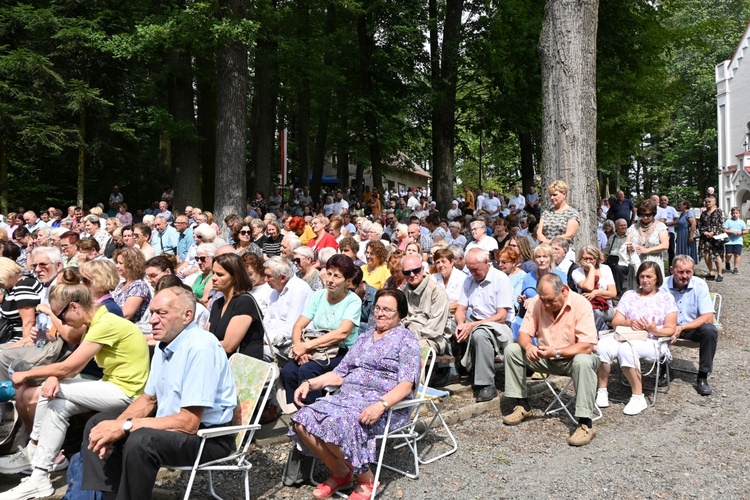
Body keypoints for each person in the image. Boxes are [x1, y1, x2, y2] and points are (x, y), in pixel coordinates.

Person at [79, 287, 236, 499]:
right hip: (173, 430)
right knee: (99, 424)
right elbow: (148, 400)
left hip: (208, 438)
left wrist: (126, 426)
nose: (152, 320)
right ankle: (110, 496)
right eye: (152, 312)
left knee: (141, 441)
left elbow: (188, 423)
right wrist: (115, 427)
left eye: (161, 313)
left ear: (187, 316)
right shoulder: (165, 344)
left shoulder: (200, 348)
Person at [0, 284, 149, 498]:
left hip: (130, 395)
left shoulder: (106, 323)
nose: (61, 322)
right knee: (57, 403)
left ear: (74, 307)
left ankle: (33, 448)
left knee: (50, 391)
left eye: (61, 316)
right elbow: (69, 366)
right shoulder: (96, 321)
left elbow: (70, 367)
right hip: (116, 387)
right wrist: (53, 376)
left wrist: (26, 375)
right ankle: (40, 477)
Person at [288, 289, 420, 500]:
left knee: (340, 423)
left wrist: (381, 404)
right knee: (302, 420)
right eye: (378, 308)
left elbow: (406, 385)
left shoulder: (407, 341)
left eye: (388, 310)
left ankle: (367, 480)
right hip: (347, 398)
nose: (380, 313)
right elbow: (339, 374)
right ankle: (341, 473)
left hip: (383, 406)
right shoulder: (365, 338)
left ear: (400, 313)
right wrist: (309, 383)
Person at [502, 274, 600, 446]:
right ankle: (522, 405)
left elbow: (587, 346)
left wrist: (557, 352)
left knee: (583, 361)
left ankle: (586, 423)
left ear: (563, 290)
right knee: (513, 350)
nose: (546, 305)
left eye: (550, 301)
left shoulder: (581, 304)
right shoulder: (537, 303)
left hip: (573, 358)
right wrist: (529, 347)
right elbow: (523, 334)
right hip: (546, 357)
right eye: (543, 300)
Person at [595, 261, 677, 415]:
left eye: (649, 276)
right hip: (626, 335)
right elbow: (615, 322)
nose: (645, 280)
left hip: (653, 340)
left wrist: (653, 329)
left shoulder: (666, 298)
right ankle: (602, 390)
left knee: (627, 349)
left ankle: (638, 396)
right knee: (602, 346)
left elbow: (670, 329)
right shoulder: (629, 295)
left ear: (657, 278)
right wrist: (630, 322)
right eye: (642, 276)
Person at [281, 255, 361, 406]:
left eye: (337, 276)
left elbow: (342, 333)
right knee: (288, 372)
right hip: (316, 349)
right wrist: (300, 349)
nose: (330, 279)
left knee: (307, 371)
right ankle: (299, 414)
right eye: (329, 273)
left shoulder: (353, 300)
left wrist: (307, 346)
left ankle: (313, 417)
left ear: (348, 281)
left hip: (341, 351)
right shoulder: (318, 296)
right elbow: (299, 325)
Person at [455, 248, 514, 403]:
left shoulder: (500, 279)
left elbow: (502, 316)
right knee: (450, 326)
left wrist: (473, 325)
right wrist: (461, 324)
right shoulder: (469, 280)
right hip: (475, 320)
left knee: (479, 334)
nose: (473, 273)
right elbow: (461, 309)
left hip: (497, 324)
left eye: (475, 269)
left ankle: (487, 384)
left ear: (486, 262)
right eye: (470, 269)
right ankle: (454, 372)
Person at [660, 255, 718, 396]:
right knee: (651, 327)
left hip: (691, 327)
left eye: (689, 272)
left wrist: (682, 328)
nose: (685, 276)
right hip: (667, 326)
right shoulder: (662, 285)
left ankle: (702, 376)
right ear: (672, 270)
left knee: (710, 330)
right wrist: (670, 328)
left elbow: (707, 316)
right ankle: (663, 369)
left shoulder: (699, 284)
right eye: (680, 272)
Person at [208, 253, 264, 360]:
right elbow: (208, 336)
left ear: (235, 277)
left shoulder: (245, 302)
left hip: (243, 369)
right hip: (219, 363)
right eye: (213, 273)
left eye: (220, 275)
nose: (213, 278)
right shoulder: (217, 304)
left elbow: (228, 346)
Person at [262, 256, 313, 360]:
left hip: (291, 343)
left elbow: (292, 328)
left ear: (283, 278)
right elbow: (267, 320)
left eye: (268, 276)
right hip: (271, 341)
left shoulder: (299, 289)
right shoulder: (274, 291)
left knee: (257, 352)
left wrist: (267, 339)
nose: (265, 279)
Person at [401, 254, 451, 354]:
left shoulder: (437, 292)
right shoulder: (404, 291)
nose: (412, 275)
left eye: (416, 270)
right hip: (407, 335)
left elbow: (434, 328)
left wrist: (409, 336)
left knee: (408, 349)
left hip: (432, 338)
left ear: (422, 269)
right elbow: (400, 318)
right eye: (407, 272)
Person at [570, 245, 617, 329]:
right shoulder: (576, 272)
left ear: (597, 258)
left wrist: (596, 293)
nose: (588, 261)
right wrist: (592, 269)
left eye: (591, 259)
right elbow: (588, 287)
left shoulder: (605, 269)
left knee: (590, 314)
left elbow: (613, 293)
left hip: (605, 308)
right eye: (585, 259)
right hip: (585, 306)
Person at [0, 257, 42, 347]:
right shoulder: (10, 288)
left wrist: (24, 347)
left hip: (22, 338)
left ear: (8, 275)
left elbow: (29, 321)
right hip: (11, 336)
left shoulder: (22, 287)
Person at [625, 199, 669, 283]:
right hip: (636, 264)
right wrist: (629, 248)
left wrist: (647, 250)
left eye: (648, 215)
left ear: (653, 214)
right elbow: (626, 245)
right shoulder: (632, 227)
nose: (645, 217)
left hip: (653, 262)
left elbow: (665, 245)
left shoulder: (660, 227)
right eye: (642, 214)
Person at [112, 248, 151, 323]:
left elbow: (126, 314)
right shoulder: (121, 285)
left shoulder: (139, 286)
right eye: (117, 262)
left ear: (131, 265)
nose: (117, 266)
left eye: (120, 263)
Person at [536, 180, 579, 244]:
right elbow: (539, 232)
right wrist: (546, 243)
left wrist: (551, 242)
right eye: (550, 195)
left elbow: (569, 235)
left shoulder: (572, 213)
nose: (552, 198)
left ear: (564, 194)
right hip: (546, 250)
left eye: (554, 195)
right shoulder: (546, 212)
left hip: (564, 250)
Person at [605, 218, 630, 297]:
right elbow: (606, 252)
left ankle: (618, 292)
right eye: (621, 225)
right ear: (616, 227)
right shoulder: (612, 237)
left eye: (625, 225)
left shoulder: (630, 236)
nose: (623, 227)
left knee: (618, 268)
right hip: (612, 260)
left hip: (625, 262)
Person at [723, 206, 747, 274]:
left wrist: (741, 232)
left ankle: (736, 268)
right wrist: (731, 232)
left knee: (737, 254)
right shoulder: (728, 221)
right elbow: (724, 230)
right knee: (729, 254)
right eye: (733, 213)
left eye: (736, 213)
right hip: (729, 241)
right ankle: (727, 262)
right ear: (731, 214)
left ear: (739, 214)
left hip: (738, 240)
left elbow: (746, 231)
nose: (735, 214)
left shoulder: (741, 222)